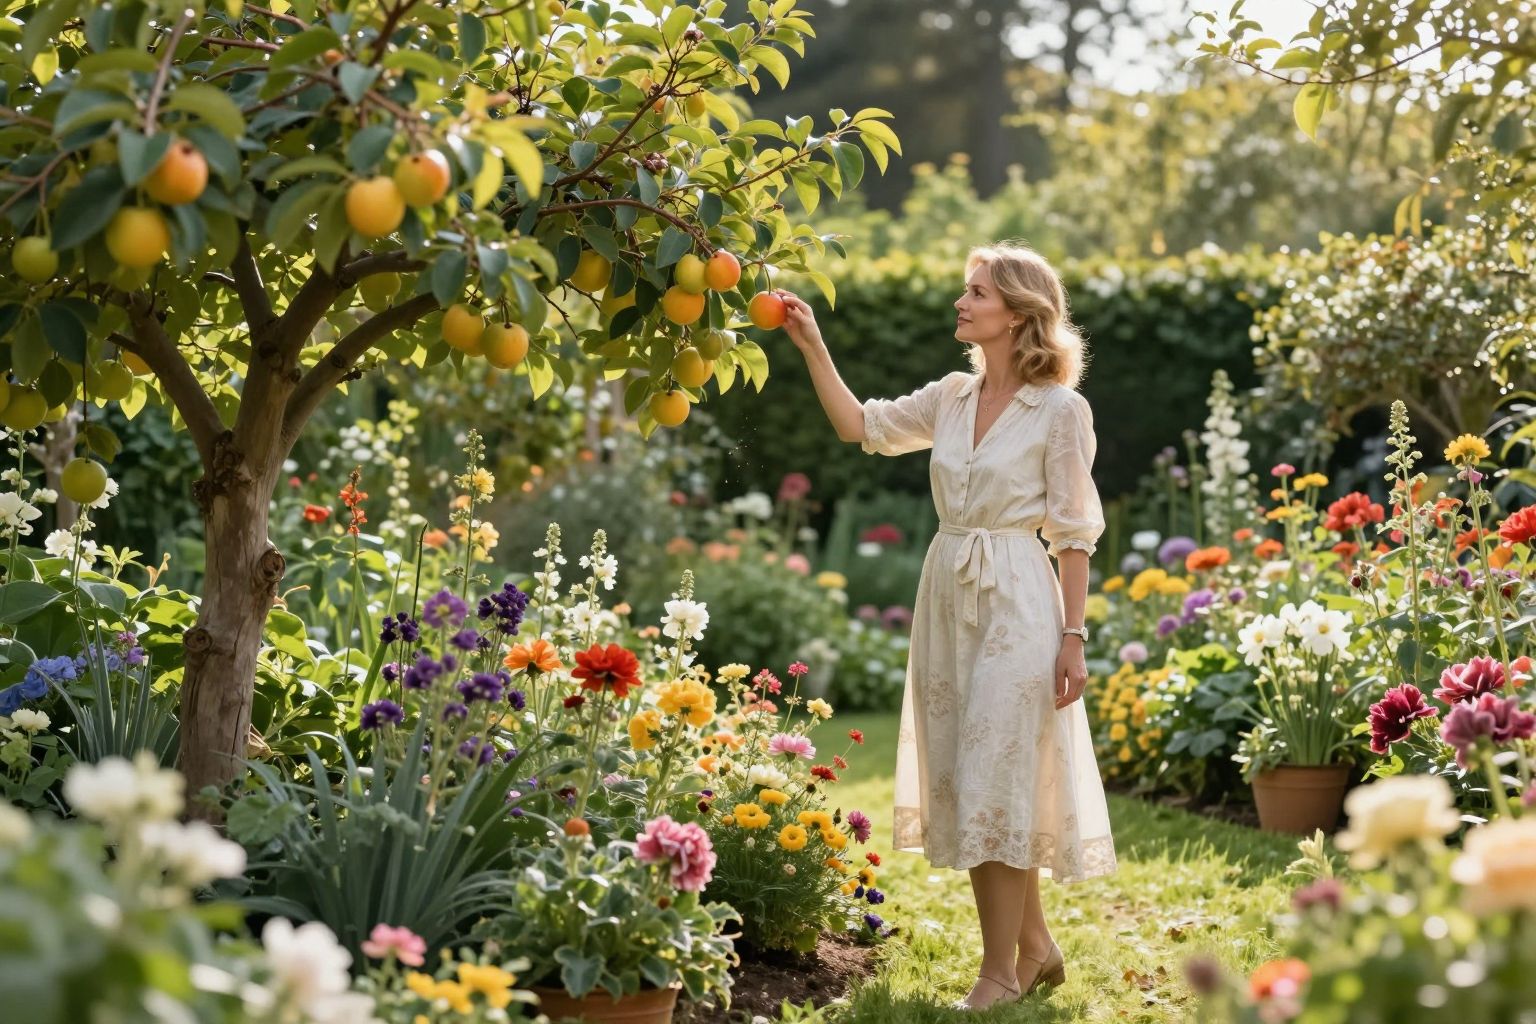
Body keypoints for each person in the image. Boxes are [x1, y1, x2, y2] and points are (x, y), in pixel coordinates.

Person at [773, 241, 1118, 1011]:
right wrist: (813, 346)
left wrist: (1073, 638)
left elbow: (1073, 534)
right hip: (948, 599)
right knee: (972, 776)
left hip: (1020, 603)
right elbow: (859, 426)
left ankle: (999, 972)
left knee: (999, 772)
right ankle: (1035, 948)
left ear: (1019, 314)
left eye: (978, 293)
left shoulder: (1060, 410)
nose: (961, 304)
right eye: (965, 291)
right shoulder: (952, 397)